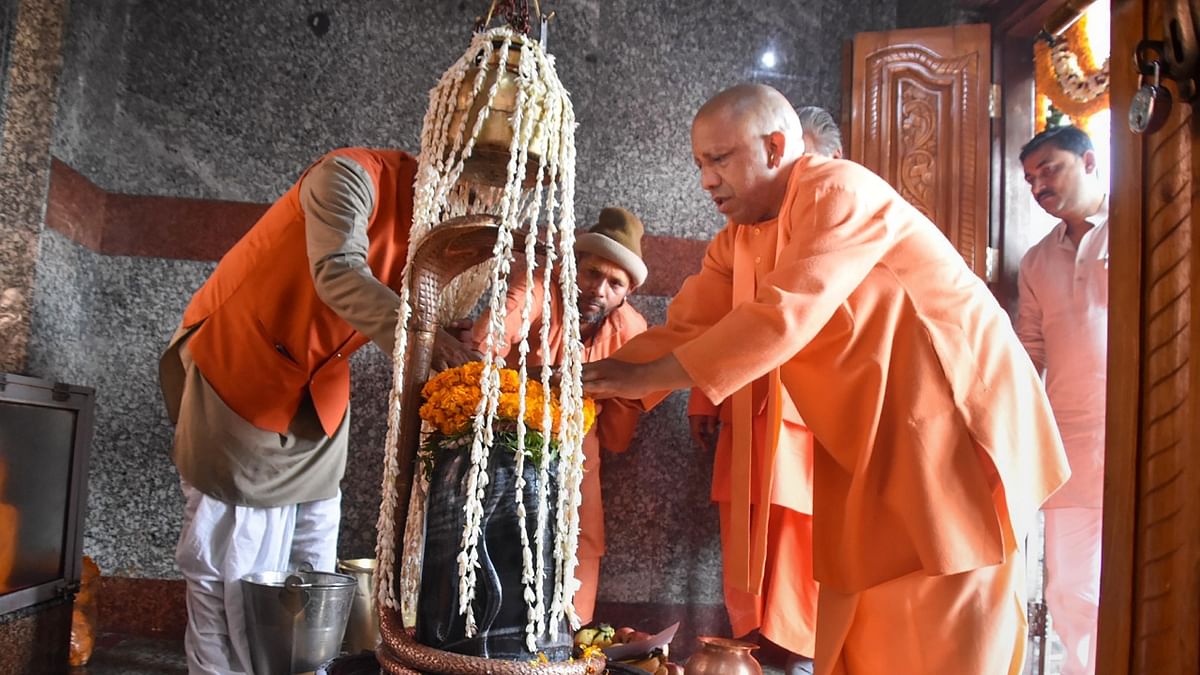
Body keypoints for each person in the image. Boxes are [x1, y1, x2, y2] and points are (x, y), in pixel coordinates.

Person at [580, 83, 1070, 675]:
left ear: (776, 146)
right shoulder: (736, 240)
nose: (706, 180)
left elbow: (785, 314)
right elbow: (685, 326)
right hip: (871, 442)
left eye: (719, 159)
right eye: (699, 164)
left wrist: (643, 378)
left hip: (950, 426)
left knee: (954, 621)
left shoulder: (838, 190)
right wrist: (579, 382)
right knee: (862, 626)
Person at [159, 147, 473, 675]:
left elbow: (438, 310)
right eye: (473, 182)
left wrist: (458, 332)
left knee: (311, 559)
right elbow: (338, 272)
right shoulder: (349, 176)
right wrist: (430, 341)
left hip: (321, 392)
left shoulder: (441, 226)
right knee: (233, 563)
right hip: (242, 371)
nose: (477, 199)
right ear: (444, 153)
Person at [683, 102, 844, 675]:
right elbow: (707, 323)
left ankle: (797, 658)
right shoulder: (740, 235)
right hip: (747, 411)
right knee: (746, 548)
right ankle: (747, 653)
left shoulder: (844, 217)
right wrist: (704, 397)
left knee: (802, 554)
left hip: (813, 422)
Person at [464, 207, 649, 624]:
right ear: (572, 268)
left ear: (625, 294)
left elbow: (629, 416)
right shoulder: (536, 290)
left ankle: (568, 633)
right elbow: (484, 345)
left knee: (584, 539)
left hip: (580, 445)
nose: (599, 290)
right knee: (501, 530)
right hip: (510, 431)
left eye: (614, 283)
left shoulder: (631, 329)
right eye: (591, 274)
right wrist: (535, 380)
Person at [1015, 125, 1107, 675]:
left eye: (1049, 169)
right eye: (1030, 178)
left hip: (1143, 436)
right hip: (1069, 443)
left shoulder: (1142, 233)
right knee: (1072, 589)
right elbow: (1029, 351)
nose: (1039, 185)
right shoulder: (1036, 262)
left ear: (1090, 162)